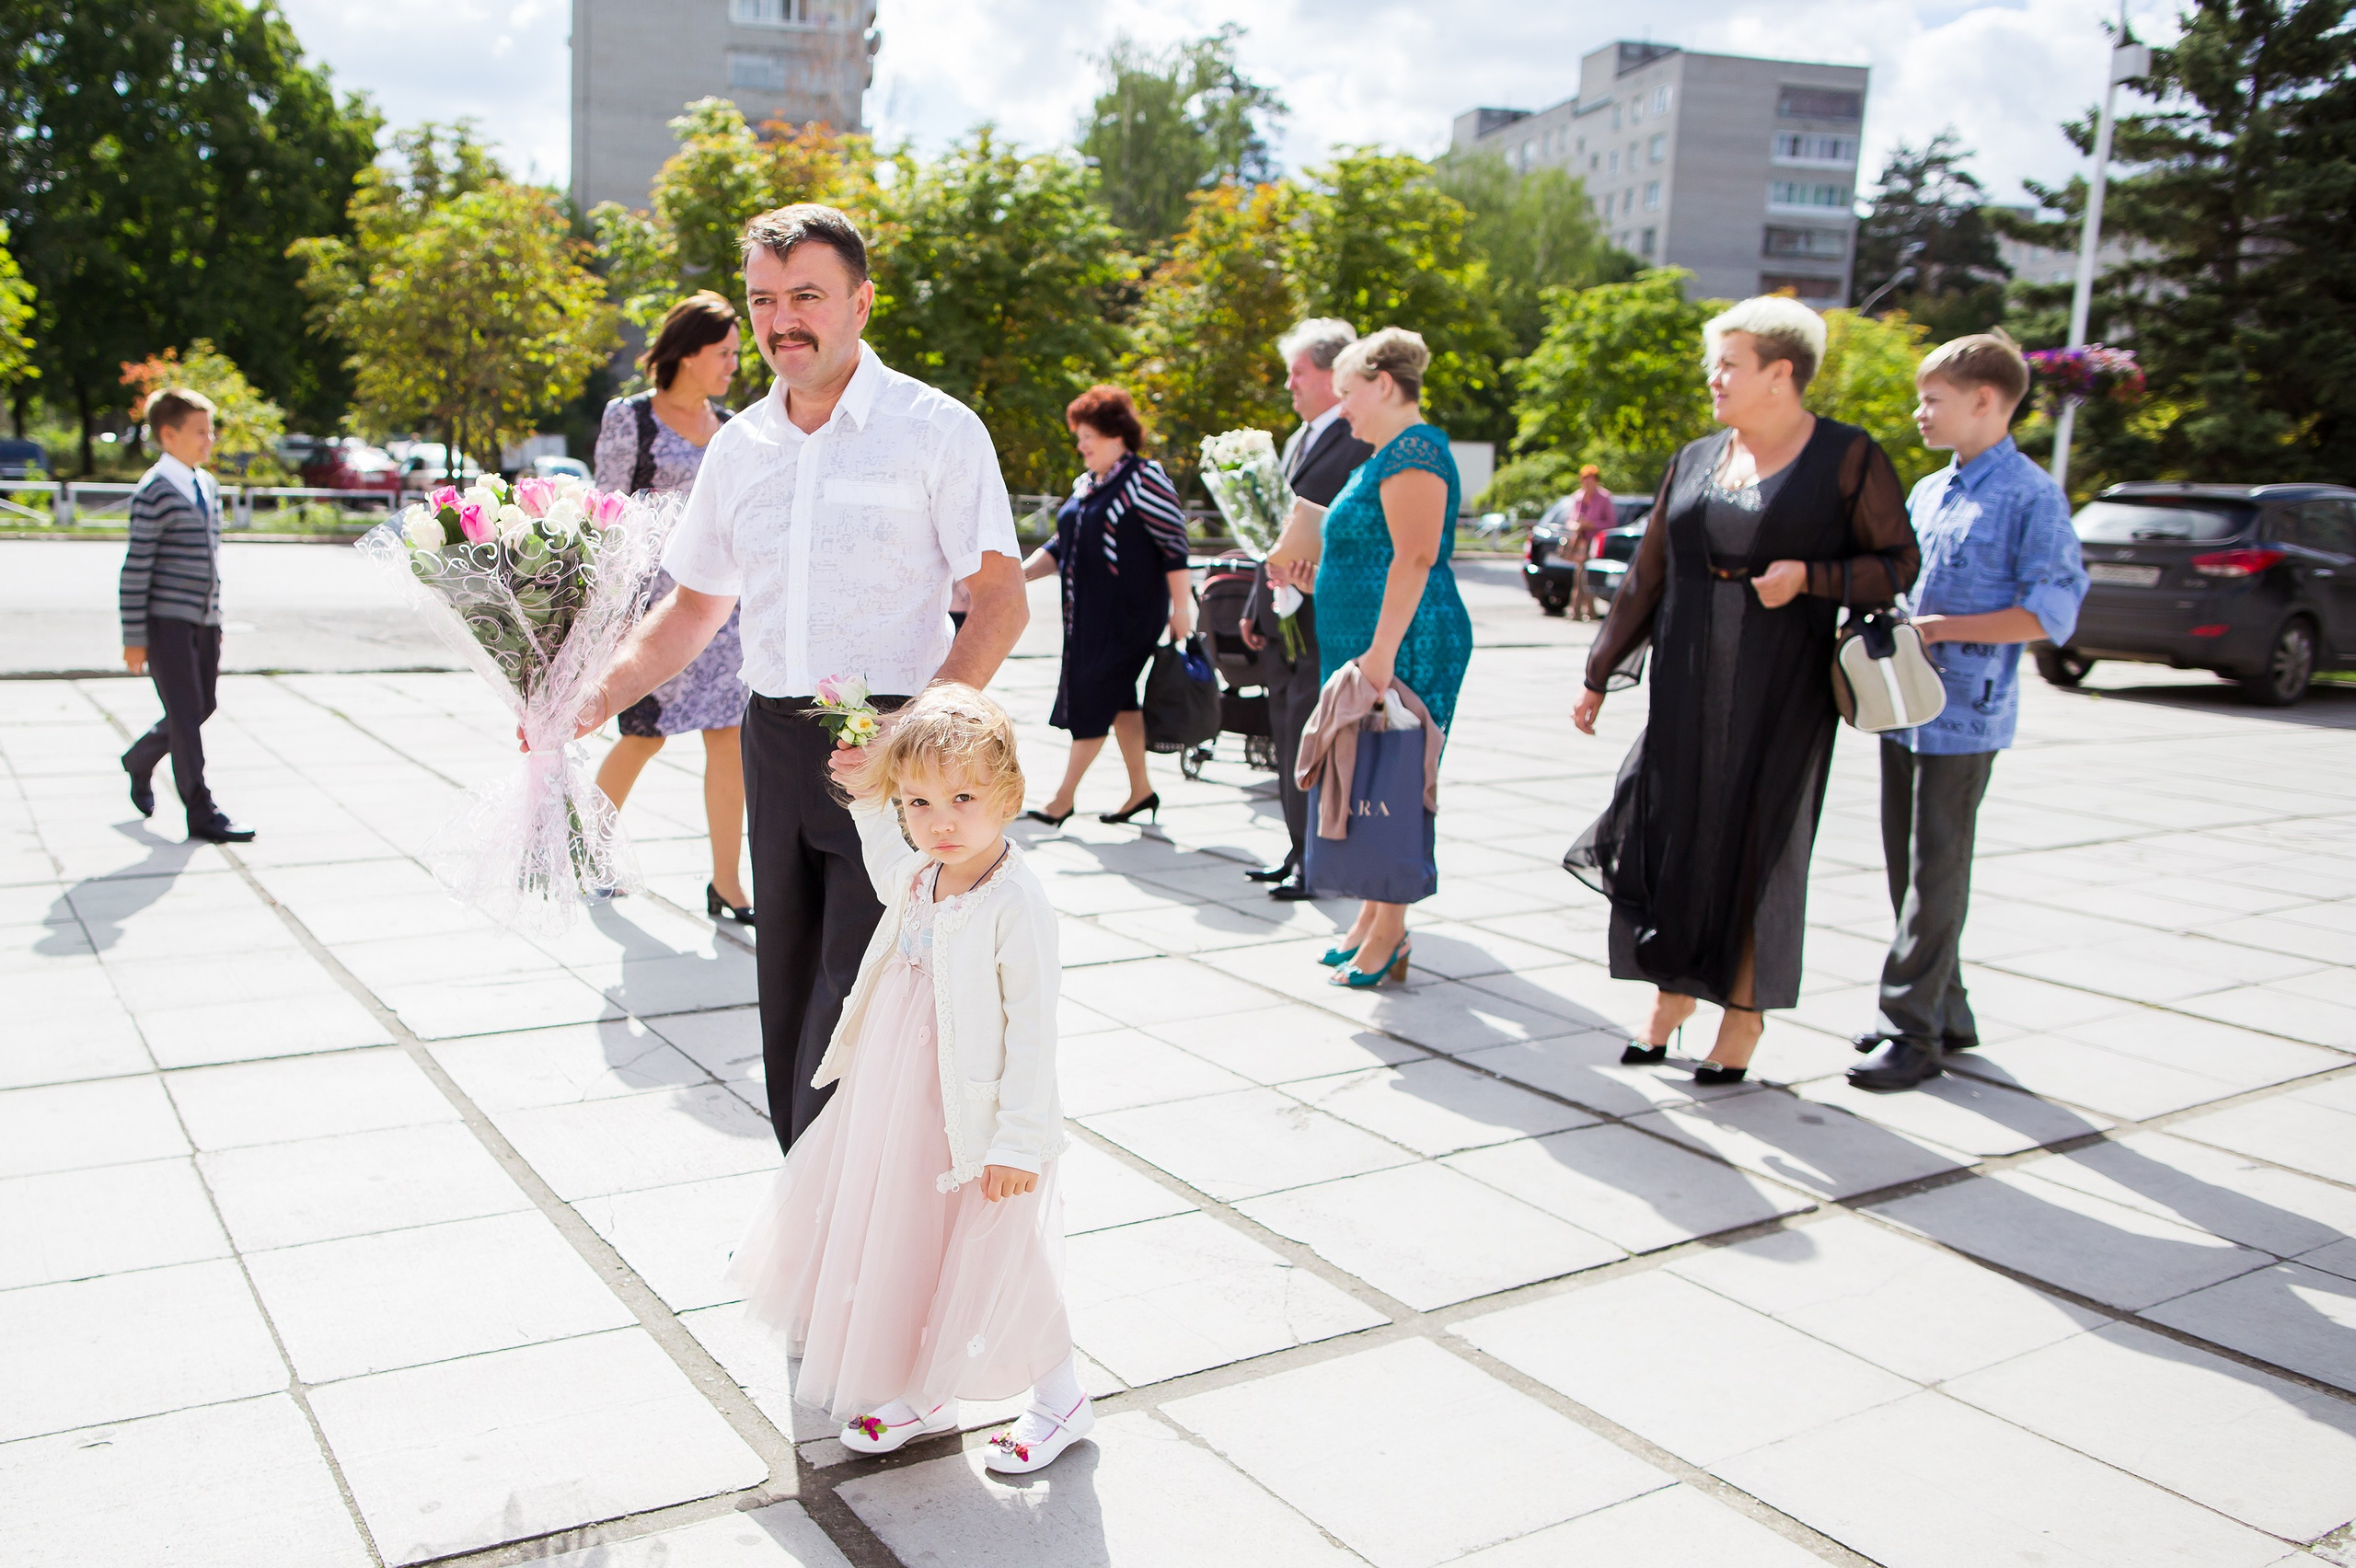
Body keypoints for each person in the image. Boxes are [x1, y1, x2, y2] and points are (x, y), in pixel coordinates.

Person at [572, 204, 1029, 1154]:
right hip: (775, 744)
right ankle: (809, 1204)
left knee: (875, 1000)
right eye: (764, 300)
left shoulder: (936, 430)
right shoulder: (738, 447)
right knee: (785, 994)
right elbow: (695, 609)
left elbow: (998, 601)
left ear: (861, 303)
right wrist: (594, 695)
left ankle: (877, 1214)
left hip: (898, 751)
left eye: (807, 296)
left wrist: (918, 740)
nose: (784, 320)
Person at [728, 685, 1090, 1475]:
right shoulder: (923, 871)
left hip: (977, 1117)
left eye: (964, 798)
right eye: (919, 802)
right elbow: (884, 859)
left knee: (997, 1251)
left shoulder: (1014, 902)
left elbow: (1033, 1031)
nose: (942, 821)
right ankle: (930, 1393)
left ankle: (1060, 1397)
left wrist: (1019, 1142)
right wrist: (865, 799)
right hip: (903, 1096)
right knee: (915, 1240)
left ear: (1009, 794)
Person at [1567, 296, 1918, 1084]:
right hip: (1687, 682)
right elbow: (1647, 570)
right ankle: (1671, 997)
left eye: (1728, 364)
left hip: (1780, 690)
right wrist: (1601, 671)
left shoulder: (1847, 458)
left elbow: (1898, 561)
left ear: (1780, 373)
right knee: (1672, 832)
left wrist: (1812, 578)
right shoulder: (1695, 458)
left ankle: (1744, 1014)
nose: (1713, 379)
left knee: (1759, 841)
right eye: (1712, 364)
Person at [1850, 330, 2088, 1090]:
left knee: (1936, 871)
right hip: (1903, 705)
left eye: (1933, 400)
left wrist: (1945, 630)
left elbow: (2051, 613)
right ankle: (1947, 1012)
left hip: (1965, 715)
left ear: (1986, 401)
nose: (1920, 413)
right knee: (1905, 865)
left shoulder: (2031, 496)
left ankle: (1911, 1032)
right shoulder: (1928, 490)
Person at [1267, 327, 1472, 987]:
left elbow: (1415, 557)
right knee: (1368, 777)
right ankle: (1373, 921)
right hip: (1369, 643)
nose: (1343, 405)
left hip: (1405, 645)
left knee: (1393, 781)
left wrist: (1381, 656)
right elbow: (1368, 553)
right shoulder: (1384, 452)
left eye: (1350, 392)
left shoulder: (1414, 452)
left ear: (1385, 385)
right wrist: (1311, 577)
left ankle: (1390, 934)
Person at [590, 291, 756, 925]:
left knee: (729, 739)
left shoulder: (737, 428)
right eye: (724, 353)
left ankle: (726, 883)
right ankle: (588, 851)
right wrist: (611, 617)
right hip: (656, 610)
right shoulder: (629, 418)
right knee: (643, 736)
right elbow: (608, 516)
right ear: (687, 354)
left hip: (724, 608)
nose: (734, 366)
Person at [1239, 318, 1375, 901]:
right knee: (1286, 736)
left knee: (1314, 738)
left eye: (1298, 373)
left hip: (1326, 617)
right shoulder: (1296, 440)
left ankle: (1319, 859)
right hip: (1279, 616)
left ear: (1330, 374)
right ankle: (1298, 849)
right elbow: (1271, 533)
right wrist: (1252, 602)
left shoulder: (1360, 437)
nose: (1289, 385)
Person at [1020, 385, 1193, 828]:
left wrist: (1182, 608)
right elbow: (1063, 545)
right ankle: (1141, 791)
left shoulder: (1144, 477)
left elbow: (1174, 547)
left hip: (1129, 618)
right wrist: (1016, 577)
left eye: (1086, 435)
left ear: (1116, 434)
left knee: (1097, 696)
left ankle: (1062, 800)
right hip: (1088, 619)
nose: (1080, 445)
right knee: (1120, 701)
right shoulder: (1087, 484)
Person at [119, 388, 253, 844]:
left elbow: (210, 560)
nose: (209, 439)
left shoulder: (205, 485)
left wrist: (215, 618)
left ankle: (140, 760)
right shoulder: (154, 490)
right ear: (168, 434)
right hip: (165, 622)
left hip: (204, 621)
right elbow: (135, 569)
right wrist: (134, 637)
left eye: (210, 430)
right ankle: (201, 810)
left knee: (200, 707)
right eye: (200, 431)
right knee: (183, 713)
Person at [1567, 464, 1616, 622]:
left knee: (1584, 575)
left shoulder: (1604, 497)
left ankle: (1578, 611)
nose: (1588, 483)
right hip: (1580, 542)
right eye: (1585, 479)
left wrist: (1591, 524)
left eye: (1591, 479)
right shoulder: (1578, 497)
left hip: (1595, 542)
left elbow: (1611, 523)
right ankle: (1587, 611)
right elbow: (1570, 519)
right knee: (1580, 575)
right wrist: (1576, 525)